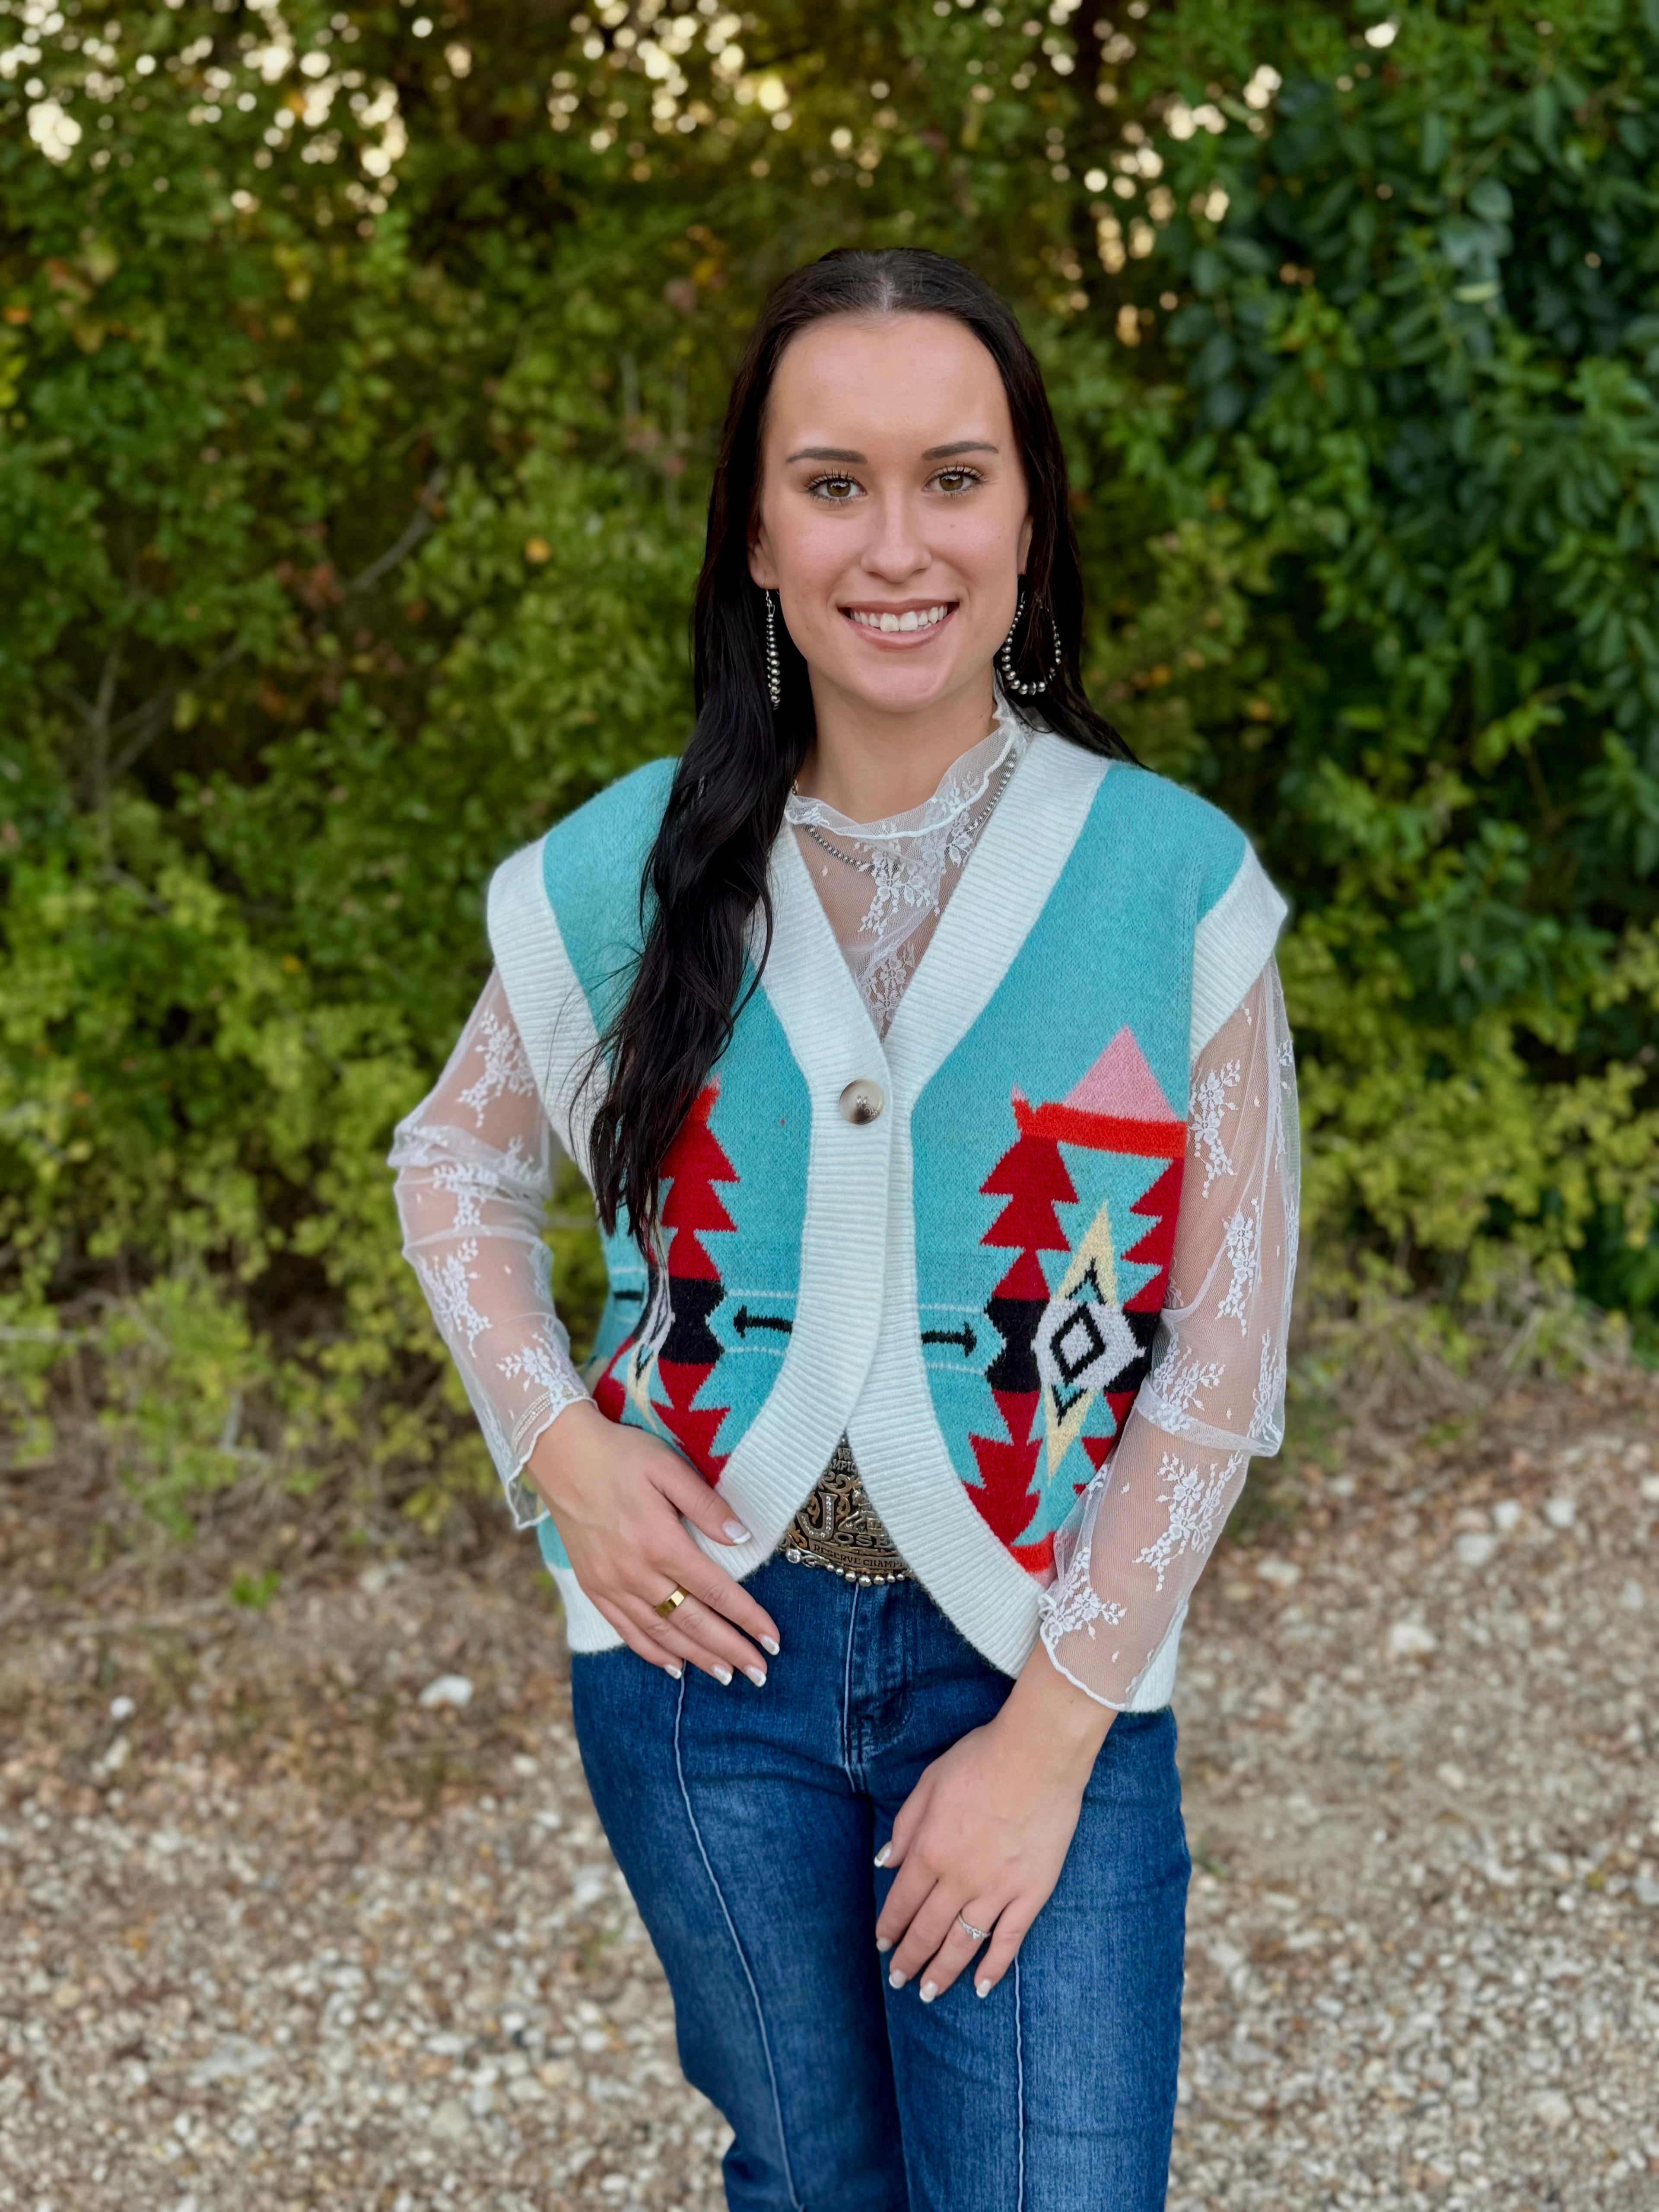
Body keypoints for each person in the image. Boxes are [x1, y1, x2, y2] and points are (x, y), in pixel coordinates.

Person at [391, 247, 1298, 2212]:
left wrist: (1048, 1742)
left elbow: (1220, 1357)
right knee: (807, 2182)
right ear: (755, 533)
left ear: (1030, 520)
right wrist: (561, 1449)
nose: (898, 544)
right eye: (833, 483)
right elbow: (452, 1166)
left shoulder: (1172, 885)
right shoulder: (633, 867)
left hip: (1037, 1661)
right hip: (701, 1669)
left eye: (954, 477)